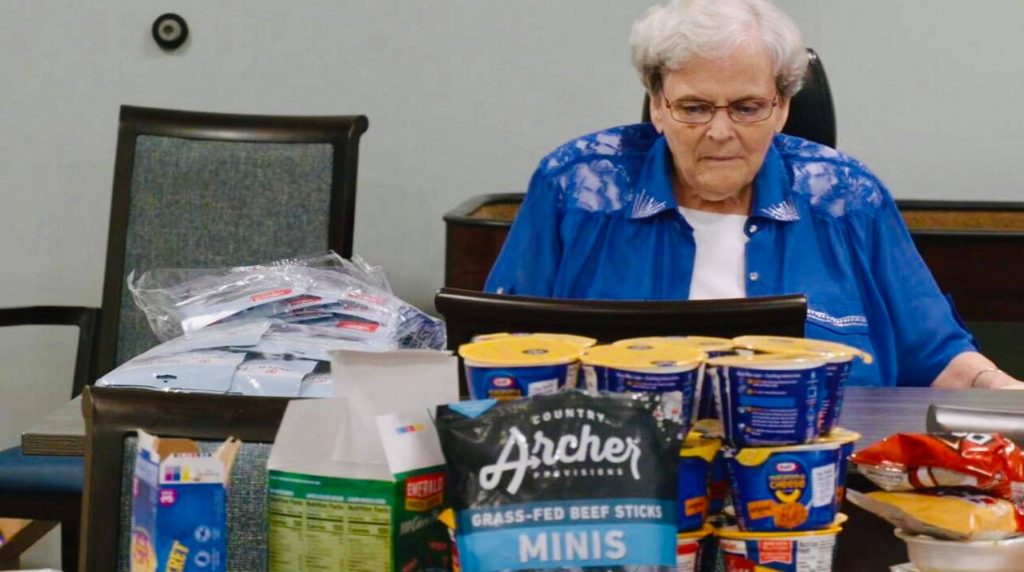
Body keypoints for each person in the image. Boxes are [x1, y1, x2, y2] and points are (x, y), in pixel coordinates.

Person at [485, 0, 1021, 389]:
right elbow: (496, 350)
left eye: (746, 107)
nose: (720, 131)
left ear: (783, 107)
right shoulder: (577, 189)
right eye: (695, 107)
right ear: (657, 103)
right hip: (617, 484)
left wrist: (1002, 395)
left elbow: (939, 358)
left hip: (819, 481)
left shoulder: (847, 198)